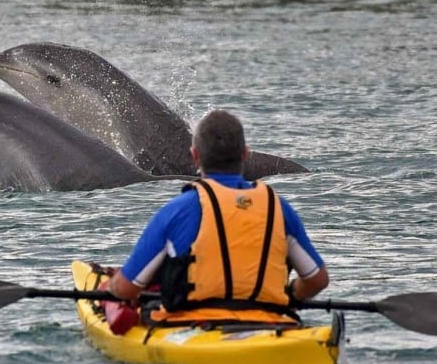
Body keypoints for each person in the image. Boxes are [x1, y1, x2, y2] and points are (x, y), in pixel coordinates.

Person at [107, 109, 328, 324]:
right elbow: (317, 280)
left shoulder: (179, 210)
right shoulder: (278, 208)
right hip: (270, 324)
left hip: (194, 325)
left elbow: (127, 288)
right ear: (245, 154)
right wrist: (292, 294)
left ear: (195, 156)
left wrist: (112, 286)